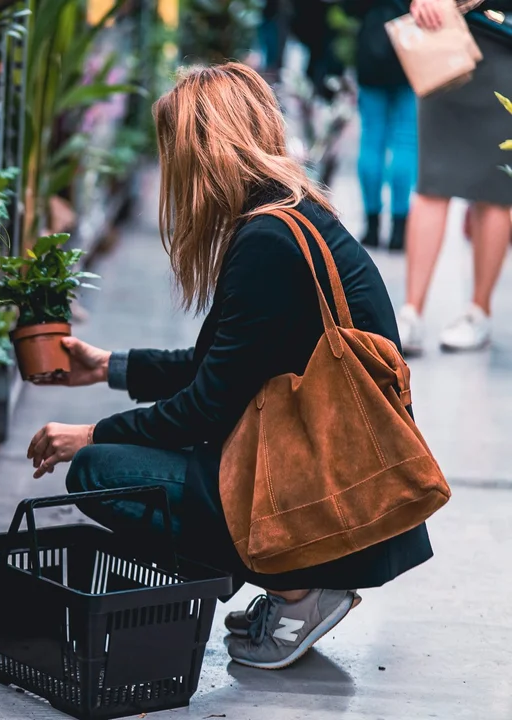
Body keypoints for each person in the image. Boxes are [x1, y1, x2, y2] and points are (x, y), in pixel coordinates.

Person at [24, 63, 433, 671]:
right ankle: (289, 576)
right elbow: (216, 366)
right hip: (326, 473)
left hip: (313, 491)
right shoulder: (292, 216)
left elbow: (204, 408)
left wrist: (89, 434)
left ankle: (300, 589)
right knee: (127, 460)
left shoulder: (265, 243)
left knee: (96, 470)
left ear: (201, 153)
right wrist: (107, 367)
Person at [398, 0, 512, 354]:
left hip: (502, 41)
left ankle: (478, 311)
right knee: (433, 180)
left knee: (494, 187)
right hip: (441, 36)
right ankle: (411, 312)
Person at [345, 0, 416, 250]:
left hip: (371, 49)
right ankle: (399, 229)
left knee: (371, 139)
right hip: (410, 47)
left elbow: (348, 8)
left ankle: (372, 226)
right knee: (406, 140)